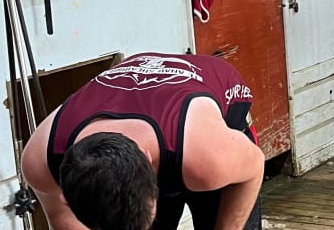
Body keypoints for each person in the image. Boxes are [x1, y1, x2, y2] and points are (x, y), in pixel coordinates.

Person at [20, 52, 265, 230]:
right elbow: (63, 221)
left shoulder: (210, 155)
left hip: (213, 92)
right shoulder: (40, 161)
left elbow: (254, 167)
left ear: (149, 163)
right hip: (150, 107)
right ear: (66, 196)